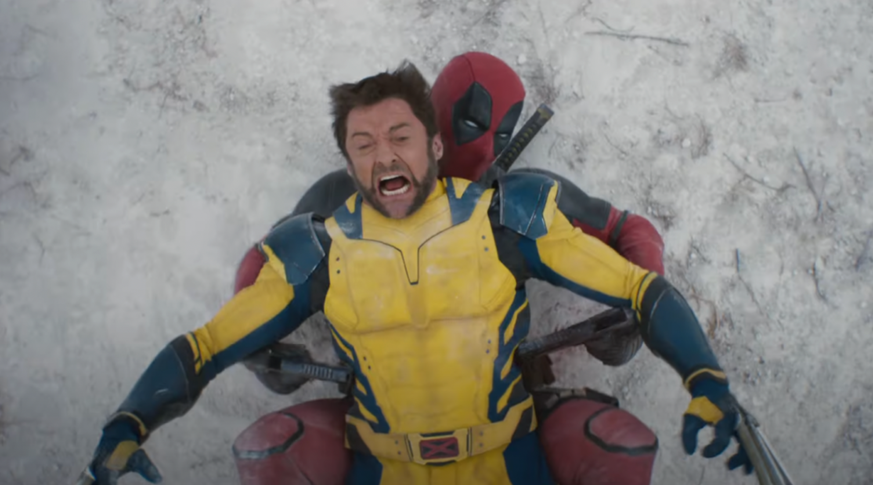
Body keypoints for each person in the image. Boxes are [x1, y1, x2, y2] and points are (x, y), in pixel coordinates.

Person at [79, 61, 751, 485]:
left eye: (400, 137)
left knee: (620, 447)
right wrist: (129, 422)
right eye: (364, 144)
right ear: (349, 162)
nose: (384, 157)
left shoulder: (510, 216)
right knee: (267, 452)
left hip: (506, 457)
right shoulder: (318, 246)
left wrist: (704, 377)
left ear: (432, 142)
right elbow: (205, 345)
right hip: (383, 462)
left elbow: (640, 285)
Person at [235, 52, 665, 385]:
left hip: (498, 411)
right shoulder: (350, 194)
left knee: (609, 441)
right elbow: (265, 259)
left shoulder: (517, 201)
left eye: (501, 134)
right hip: (378, 417)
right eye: (472, 123)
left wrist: (639, 312)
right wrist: (258, 346)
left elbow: (629, 230)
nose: (485, 149)